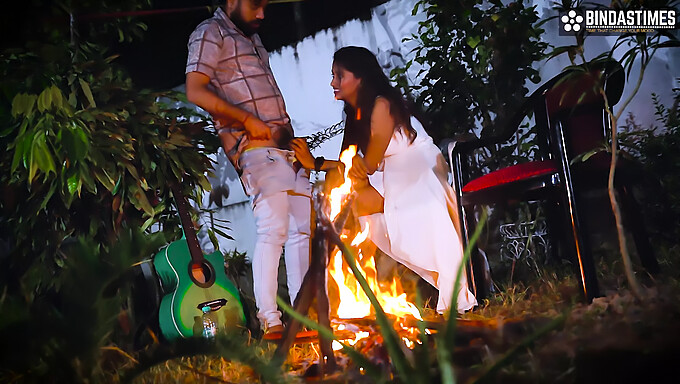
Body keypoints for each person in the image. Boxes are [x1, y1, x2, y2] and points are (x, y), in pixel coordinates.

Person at [291, 46, 476, 314]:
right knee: (354, 202)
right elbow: (352, 164)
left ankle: (453, 289)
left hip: (416, 168)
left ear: (360, 77)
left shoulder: (381, 104)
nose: (333, 83)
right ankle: (359, 284)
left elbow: (370, 161)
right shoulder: (355, 114)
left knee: (362, 198)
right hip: (389, 172)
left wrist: (354, 168)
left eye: (339, 76)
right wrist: (315, 163)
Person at [185, 0, 311, 335]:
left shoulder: (252, 39)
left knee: (303, 233)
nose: (262, 14)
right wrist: (245, 119)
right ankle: (270, 321)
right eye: (255, 4)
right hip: (255, 150)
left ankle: (302, 317)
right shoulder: (210, 32)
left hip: (286, 149)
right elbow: (195, 89)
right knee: (274, 232)